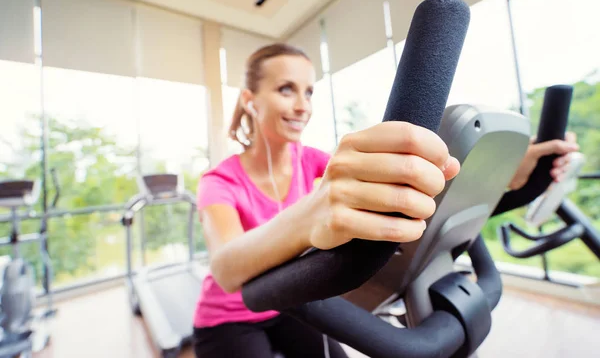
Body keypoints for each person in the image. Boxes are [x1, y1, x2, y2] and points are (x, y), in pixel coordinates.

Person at [192, 43, 579, 358]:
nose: (302, 106)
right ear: (250, 100)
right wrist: (311, 214)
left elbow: (385, 196)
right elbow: (225, 268)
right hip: (229, 317)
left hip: (290, 301)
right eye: (285, 89)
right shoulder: (220, 181)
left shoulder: (310, 161)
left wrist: (505, 171)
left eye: (309, 91)